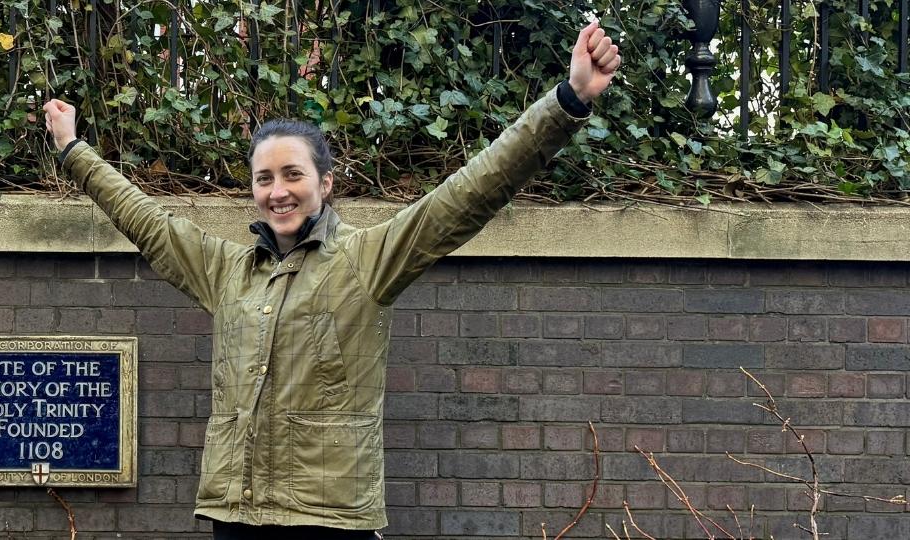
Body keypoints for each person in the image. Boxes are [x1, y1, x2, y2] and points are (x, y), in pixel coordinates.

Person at [42, 21, 621, 540]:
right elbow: (146, 220)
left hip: (329, 521)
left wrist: (566, 102)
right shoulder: (228, 271)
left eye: (294, 174)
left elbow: (469, 193)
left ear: (326, 184)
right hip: (235, 517)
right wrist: (73, 150)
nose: (278, 191)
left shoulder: (365, 260)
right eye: (264, 178)